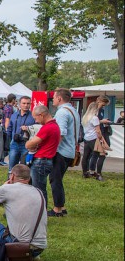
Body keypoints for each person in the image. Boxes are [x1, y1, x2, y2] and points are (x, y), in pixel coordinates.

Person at [48, 88, 80, 217]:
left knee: (55, 179)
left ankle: (58, 209)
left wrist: (51, 149)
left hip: (61, 151)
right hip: (70, 150)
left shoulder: (62, 113)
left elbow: (59, 134)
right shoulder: (73, 110)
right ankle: (61, 205)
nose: (53, 99)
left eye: (54, 97)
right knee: (58, 178)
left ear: (59, 98)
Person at [25, 105, 61, 208]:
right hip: (46, 160)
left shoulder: (47, 127)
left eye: (36, 118)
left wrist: (29, 143)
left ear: (41, 115)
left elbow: (29, 144)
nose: (36, 121)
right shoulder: (55, 126)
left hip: (41, 161)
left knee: (38, 190)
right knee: (40, 188)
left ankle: (40, 212)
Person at [6, 96, 35, 173]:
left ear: (30, 104)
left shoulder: (33, 116)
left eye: (28, 103)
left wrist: (28, 129)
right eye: (24, 103)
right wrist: (7, 141)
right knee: (12, 167)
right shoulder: (14, 115)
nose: (26, 105)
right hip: (14, 143)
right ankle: (11, 182)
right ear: (19, 104)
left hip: (26, 144)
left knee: (25, 167)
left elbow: (37, 130)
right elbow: (9, 128)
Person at [81, 102, 108, 180]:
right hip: (94, 138)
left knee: (86, 156)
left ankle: (85, 173)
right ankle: (98, 174)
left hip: (87, 138)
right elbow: (98, 131)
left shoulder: (85, 117)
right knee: (102, 155)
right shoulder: (94, 118)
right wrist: (101, 139)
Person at [94, 95, 112, 181]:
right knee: (101, 153)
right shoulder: (94, 110)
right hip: (97, 133)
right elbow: (92, 120)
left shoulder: (101, 110)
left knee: (98, 154)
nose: (104, 106)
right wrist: (102, 121)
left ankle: (95, 172)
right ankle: (98, 173)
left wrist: (103, 121)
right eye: (103, 104)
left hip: (101, 131)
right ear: (99, 101)